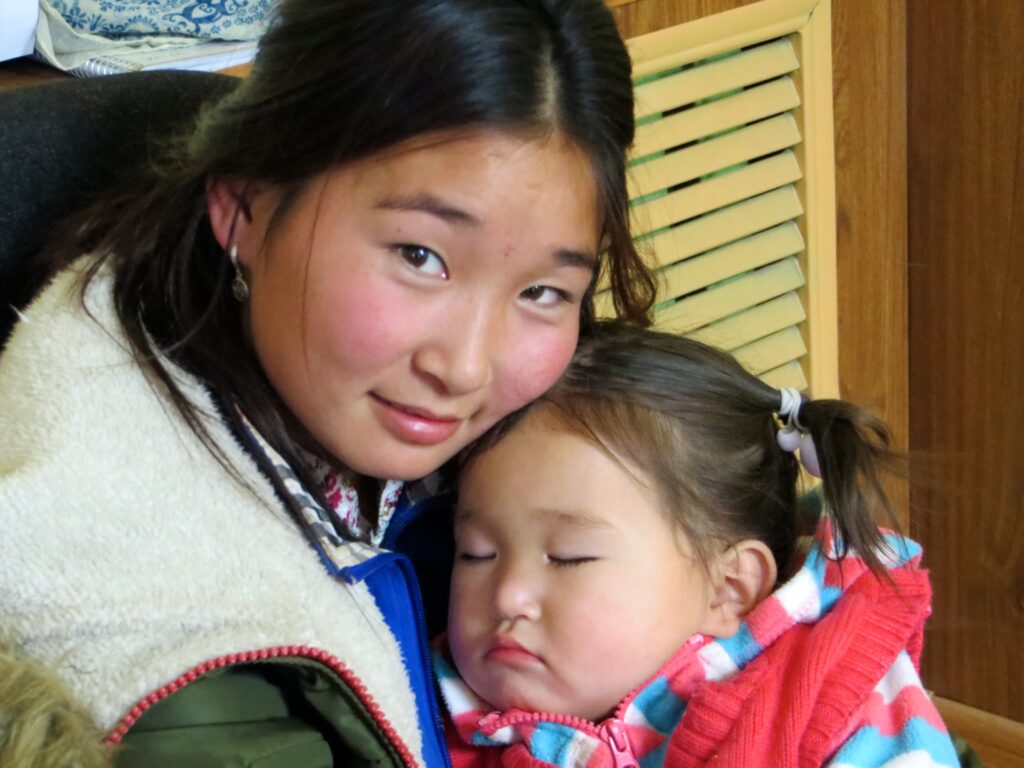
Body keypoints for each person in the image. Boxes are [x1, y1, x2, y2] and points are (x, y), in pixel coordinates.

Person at [0, 1, 657, 766]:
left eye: (542, 292)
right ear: (243, 203)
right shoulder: (161, 644)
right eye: (420, 256)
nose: (467, 368)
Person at [434, 322, 961, 768]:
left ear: (727, 588)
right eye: (476, 553)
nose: (506, 595)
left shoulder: (840, 702)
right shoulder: (427, 706)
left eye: (569, 557)